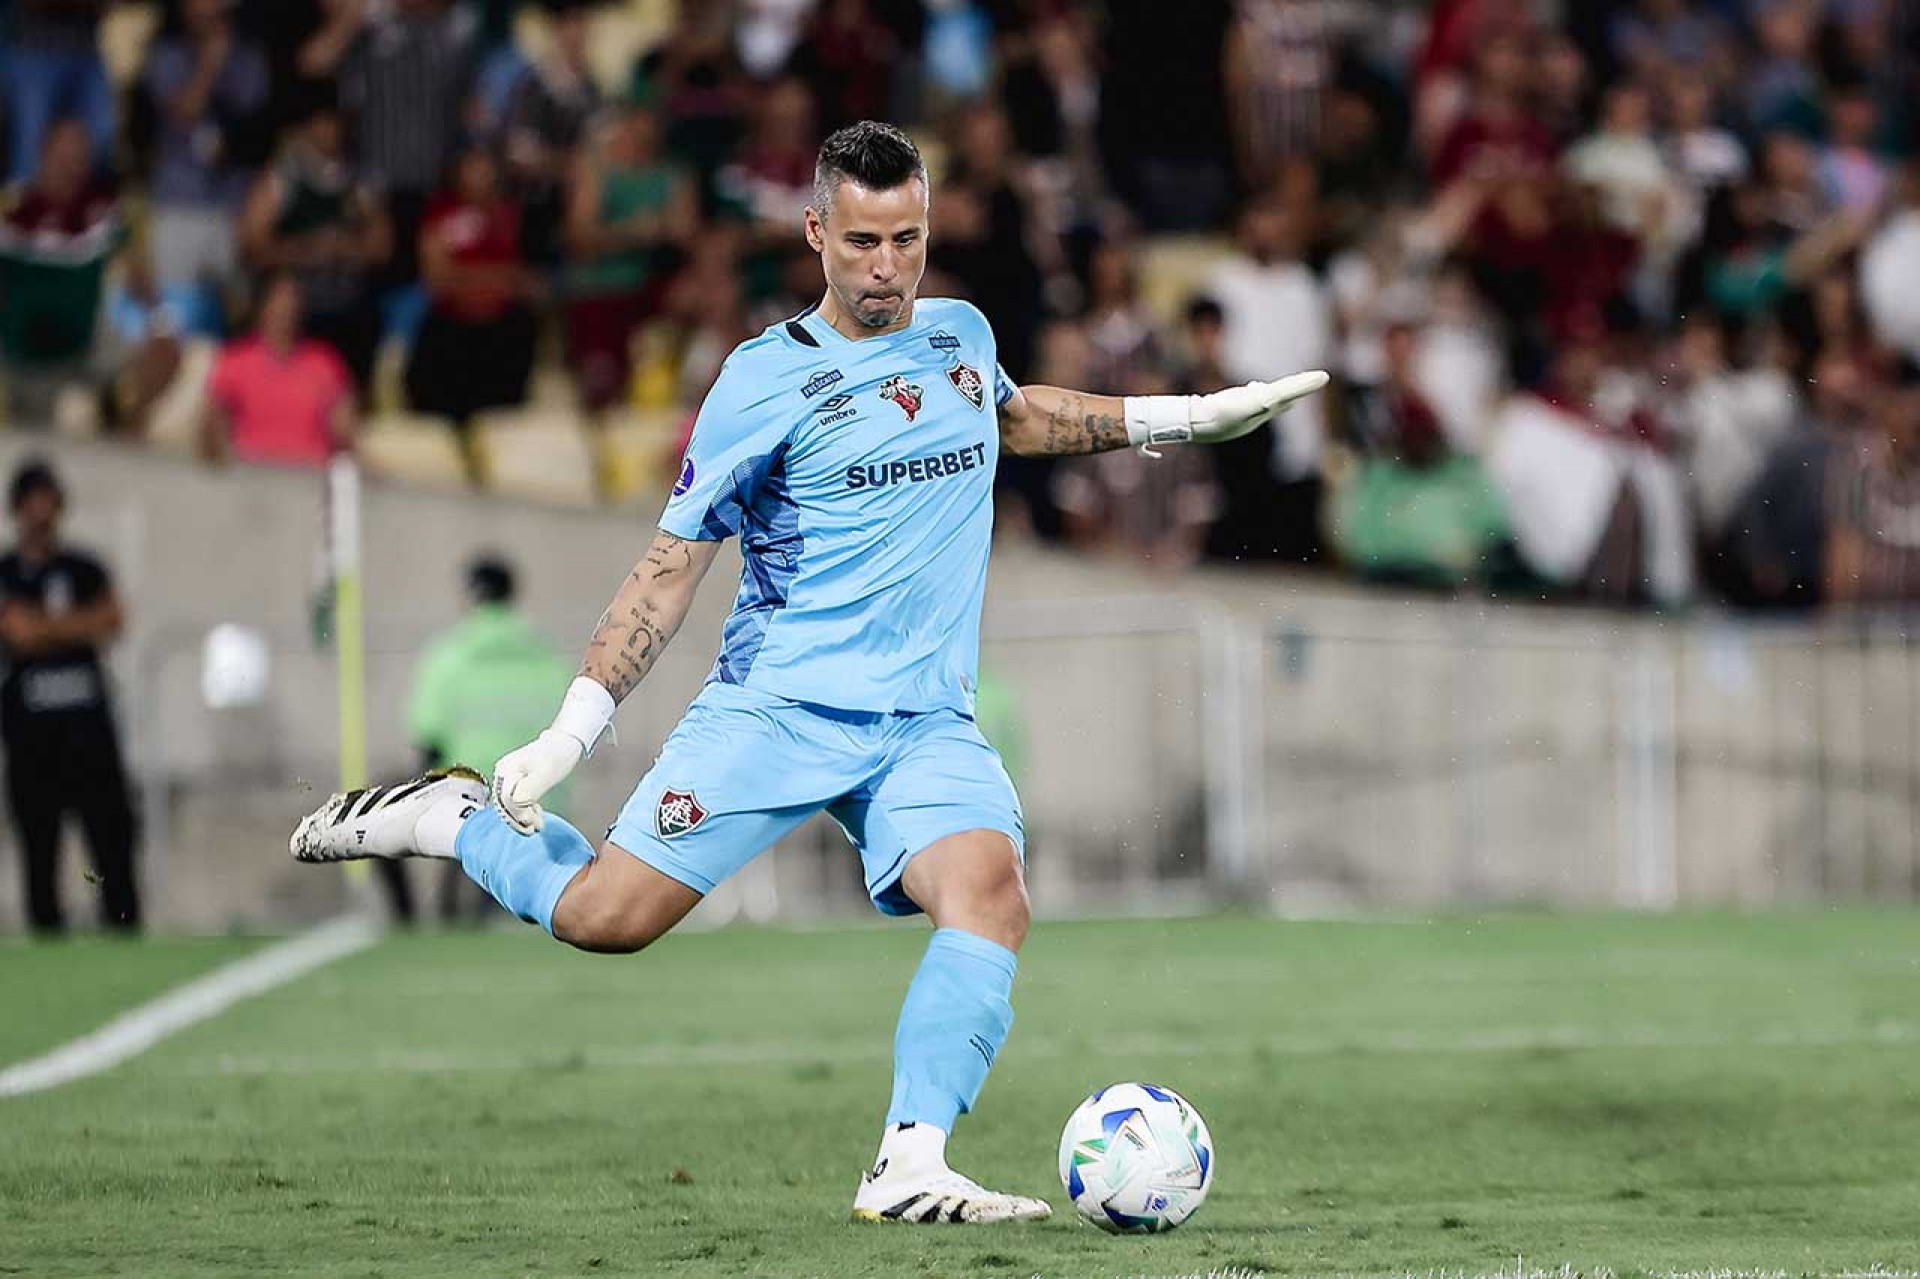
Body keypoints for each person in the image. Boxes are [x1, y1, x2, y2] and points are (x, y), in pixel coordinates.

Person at [290, 121, 1326, 1223]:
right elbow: (667, 570)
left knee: (989, 896)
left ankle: (911, 1162)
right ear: (816, 232)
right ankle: (452, 818)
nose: (888, 267)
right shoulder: (761, 381)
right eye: (865, 241)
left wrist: (1186, 418)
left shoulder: (962, 333)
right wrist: (571, 731)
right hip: (777, 709)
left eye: (910, 240)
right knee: (605, 916)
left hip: (922, 720)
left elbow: (1014, 418)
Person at [389, 554, 572, 923]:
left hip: (464, 789)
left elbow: (428, 737)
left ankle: (408, 920)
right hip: (535, 798)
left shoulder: (448, 656)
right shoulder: (547, 657)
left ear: (470, 593)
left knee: (380, 809)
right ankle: (482, 905)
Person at [0, 460, 139, 935]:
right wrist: (79, 627)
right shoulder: (6, 572)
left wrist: (46, 628)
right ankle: (48, 937)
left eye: (49, 503)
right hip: (32, 739)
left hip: (91, 736)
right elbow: (16, 632)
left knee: (111, 842)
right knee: (40, 846)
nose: (42, 514)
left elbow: (113, 620)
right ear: (17, 509)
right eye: (32, 503)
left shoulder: (84, 566)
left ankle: (123, 927)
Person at [405, 148, 538, 425]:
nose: (482, 176)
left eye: (487, 169)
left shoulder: (508, 214)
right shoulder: (439, 213)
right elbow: (437, 277)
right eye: (473, 168)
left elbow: (523, 278)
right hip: (452, 333)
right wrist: (494, 277)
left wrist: (468, 275)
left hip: (501, 333)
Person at [204, 272, 356, 467]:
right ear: (262, 307)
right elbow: (215, 422)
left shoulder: (324, 362)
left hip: (310, 473)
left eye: (293, 301)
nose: (287, 309)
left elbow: (344, 429)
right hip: (251, 472)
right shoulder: (234, 360)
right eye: (279, 301)